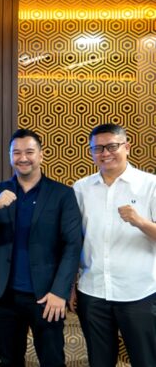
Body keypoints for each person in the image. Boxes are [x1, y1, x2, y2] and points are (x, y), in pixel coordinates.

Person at [0, 128, 82, 367]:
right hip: (4, 295)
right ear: (10, 156)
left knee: (52, 361)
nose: (23, 158)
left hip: (46, 296)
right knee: (9, 360)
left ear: (41, 155)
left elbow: (73, 245)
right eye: (16, 153)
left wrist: (60, 292)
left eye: (29, 152)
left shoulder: (62, 194)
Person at [71, 123, 156, 367]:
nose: (105, 153)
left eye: (112, 146)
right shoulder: (81, 188)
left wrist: (140, 221)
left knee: (146, 360)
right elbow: (73, 240)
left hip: (139, 292)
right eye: (98, 148)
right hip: (93, 291)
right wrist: (71, 284)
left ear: (126, 147)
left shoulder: (150, 185)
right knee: (99, 361)